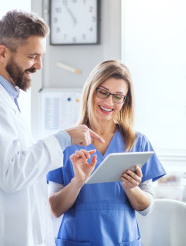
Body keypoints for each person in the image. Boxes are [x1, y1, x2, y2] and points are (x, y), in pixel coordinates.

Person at [0, 10, 104, 246]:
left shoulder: (3, 99)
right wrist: (64, 138)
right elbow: (12, 174)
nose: (39, 66)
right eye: (32, 56)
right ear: (2, 53)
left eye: (41, 56)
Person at [47, 60, 166, 245]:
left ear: (125, 101)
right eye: (103, 92)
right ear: (90, 91)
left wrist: (131, 188)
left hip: (123, 239)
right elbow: (54, 209)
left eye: (118, 96)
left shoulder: (138, 142)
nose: (109, 102)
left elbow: (146, 208)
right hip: (76, 239)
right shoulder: (65, 142)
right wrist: (77, 182)